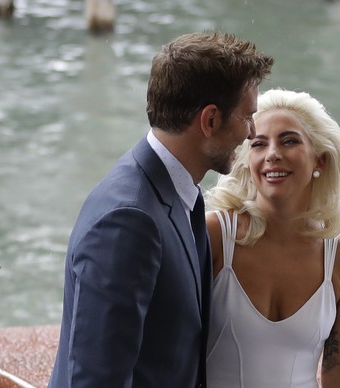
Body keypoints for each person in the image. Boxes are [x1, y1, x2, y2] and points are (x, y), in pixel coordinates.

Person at [48, 31, 273, 388]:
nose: (251, 132)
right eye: (247, 117)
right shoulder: (128, 220)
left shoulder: (179, 194)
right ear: (210, 120)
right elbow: (95, 379)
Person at [204, 88, 340, 387]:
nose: (273, 154)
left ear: (319, 160)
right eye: (258, 144)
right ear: (246, 158)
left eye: (289, 141)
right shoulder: (215, 236)